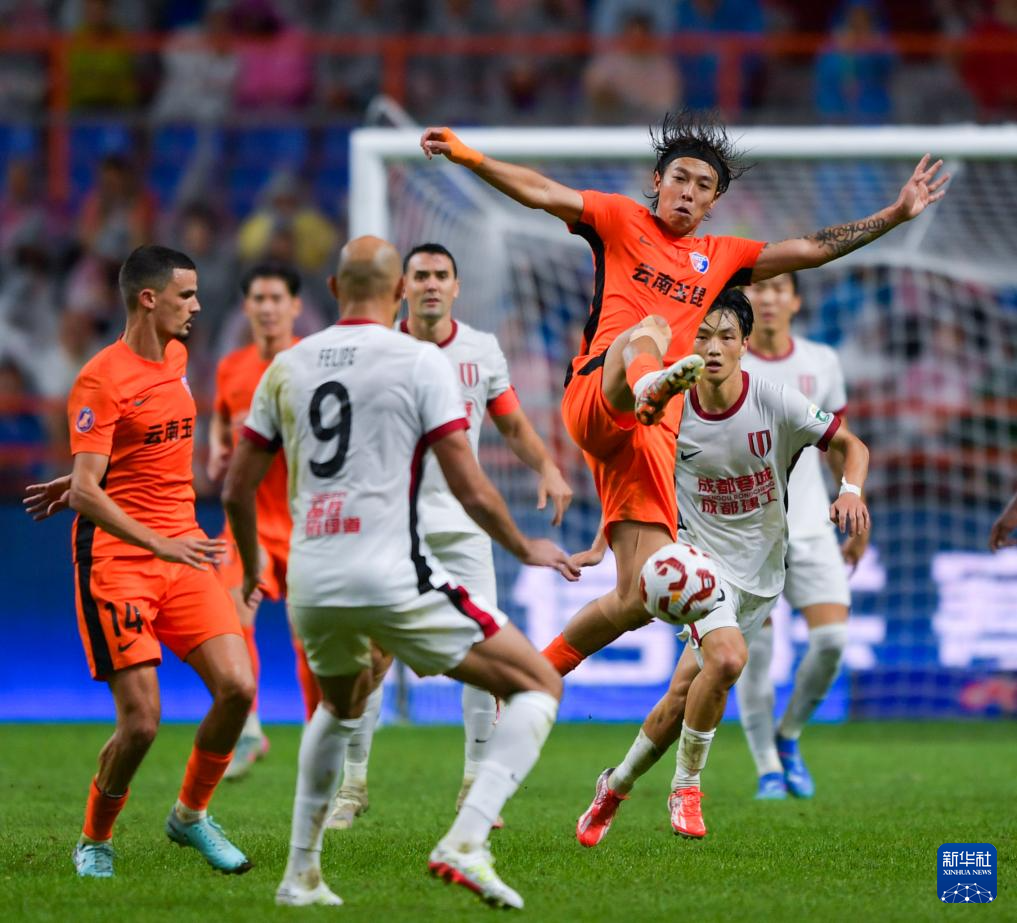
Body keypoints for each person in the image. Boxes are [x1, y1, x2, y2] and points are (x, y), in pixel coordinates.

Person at [419, 110, 945, 683]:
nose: (689, 192)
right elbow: (542, 192)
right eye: (680, 178)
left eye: (703, 186)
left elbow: (812, 249)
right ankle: (648, 380)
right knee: (647, 331)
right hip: (602, 391)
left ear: (713, 202)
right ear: (657, 181)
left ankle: (532, 677)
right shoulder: (619, 219)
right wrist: (469, 156)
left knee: (638, 596)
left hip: (652, 436)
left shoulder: (722, 256)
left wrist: (895, 214)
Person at [222, 236, 579, 909]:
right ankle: (466, 840)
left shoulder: (287, 364)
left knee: (339, 703)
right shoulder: (419, 360)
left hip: (311, 578)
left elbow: (235, 489)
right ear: (397, 293)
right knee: (539, 682)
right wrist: (522, 545)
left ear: (332, 289)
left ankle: (301, 874)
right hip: (390, 570)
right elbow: (469, 483)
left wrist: (250, 566)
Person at [573, 289, 870, 845]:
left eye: (726, 337)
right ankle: (687, 787)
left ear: (743, 345)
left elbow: (852, 445)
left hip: (763, 570)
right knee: (729, 659)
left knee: (681, 699)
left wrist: (850, 491)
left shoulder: (775, 401)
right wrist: (601, 544)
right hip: (699, 565)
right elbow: (638, 487)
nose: (712, 348)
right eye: (702, 336)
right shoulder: (671, 409)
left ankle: (614, 786)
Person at [23, 246, 255, 878]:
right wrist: (140, 528)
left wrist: (87, 478)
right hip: (119, 560)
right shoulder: (100, 378)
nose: (197, 306)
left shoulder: (176, 359)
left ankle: (190, 816)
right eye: (186, 295)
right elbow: (89, 493)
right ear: (149, 299)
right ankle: (95, 839)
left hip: (183, 548)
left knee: (238, 688)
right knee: (143, 723)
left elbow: (112, 464)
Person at [326, 242, 574, 830]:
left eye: (441, 275)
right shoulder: (376, 349)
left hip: (464, 525)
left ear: (457, 287)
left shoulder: (481, 350)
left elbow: (511, 423)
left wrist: (546, 465)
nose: (431, 284)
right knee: (371, 656)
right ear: (401, 288)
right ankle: (352, 785)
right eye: (421, 276)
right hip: (390, 526)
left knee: (484, 653)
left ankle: (474, 783)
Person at [737, 271, 868, 799]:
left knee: (832, 641)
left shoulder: (821, 361)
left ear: (794, 300)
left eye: (778, 288)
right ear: (744, 298)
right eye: (758, 288)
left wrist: (853, 502)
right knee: (755, 653)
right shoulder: (727, 361)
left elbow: (839, 443)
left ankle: (788, 736)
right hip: (746, 532)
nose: (767, 297)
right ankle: (767, 767)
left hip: (812, 524)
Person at [207, 262, 320, 780]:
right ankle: (248, 728)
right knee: (232, 616)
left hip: (304, 521)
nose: (268, 308)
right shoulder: (231, 368)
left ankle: (319, 731)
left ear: (295, 306)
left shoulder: (313, 365)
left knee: (308, 635)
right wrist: (216, 449)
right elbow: (220, 418)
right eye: (259, 299)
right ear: (246, 306)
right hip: (247, 522)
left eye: (277, 298)